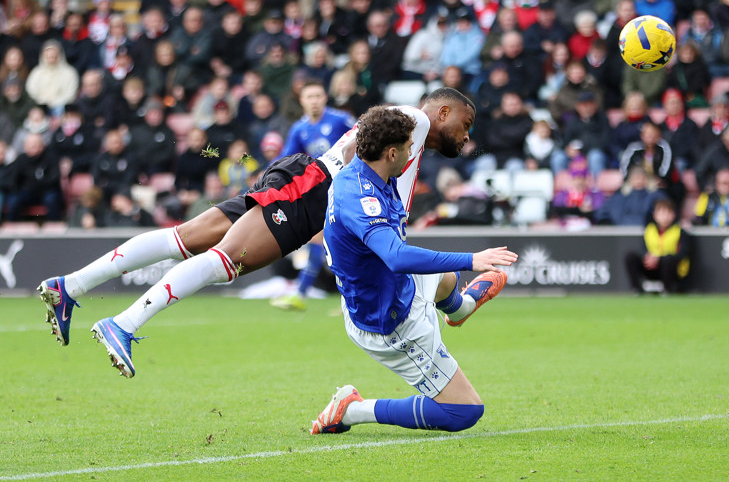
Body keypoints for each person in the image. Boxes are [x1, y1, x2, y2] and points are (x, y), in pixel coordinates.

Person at [38, 88, 477, 375]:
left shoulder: (413, 138)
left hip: (304, 180)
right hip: (312, 190)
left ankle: (71, 285)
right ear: (441, 111)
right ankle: (123, 323)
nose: (466, 135)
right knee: (222, 263)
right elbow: (363, 141)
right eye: (464, 124)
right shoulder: (416, 122)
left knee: (183, 238)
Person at [310, 105, 517, 435]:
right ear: (391, 152)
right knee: (463, 411)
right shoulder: (360, 197)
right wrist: (471, 259)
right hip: (389, 320)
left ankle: (460, 309)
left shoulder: (368, 168)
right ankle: (351, 410)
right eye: (409, 148)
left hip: (388, 284)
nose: (413, 153)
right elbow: (396, 256)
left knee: (444, 279)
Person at [270, 80, 355, 310]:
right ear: (302, 101)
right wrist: (267, 174)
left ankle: (306, 293)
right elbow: (287, 157)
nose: (314, 100)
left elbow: (364, 139)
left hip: (350, 189)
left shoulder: (340, 120)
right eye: (310, 97)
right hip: (324, 191)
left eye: (318, 95)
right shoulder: (300, 128)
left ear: (325, 97)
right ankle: (306, 294)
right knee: (324, 241)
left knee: (346, 243)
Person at [624, 198, 690, 295]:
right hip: (652, 268)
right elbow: (644, 248)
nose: (665, 217)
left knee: (668, 259)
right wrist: (648, 257)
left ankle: (668, 289)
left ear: (673, 215)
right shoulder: (649, 230)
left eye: (668, 213)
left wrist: (659, 258)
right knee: (630, 256)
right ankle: (636, 289)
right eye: (661, 213)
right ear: (655, 215)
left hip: (672, 270)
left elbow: (682, 254)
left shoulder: (680, 231)